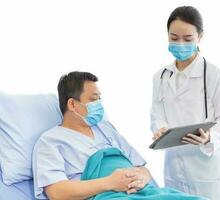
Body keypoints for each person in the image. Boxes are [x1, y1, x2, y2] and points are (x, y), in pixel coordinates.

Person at [32, 71, 206, 200]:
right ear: (72, 104)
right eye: (93, 99)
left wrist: (143, 176)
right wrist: (110, 183)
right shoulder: (50, 141)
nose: (99, 104)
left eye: (100, 99)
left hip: (142, 192)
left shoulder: (106, 129)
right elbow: (56, 192)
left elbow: (139, 167)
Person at [150, 6, 220, 200]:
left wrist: (209, 137)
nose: (180, 43)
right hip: (175, 167)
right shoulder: (160, 77)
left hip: (207, 168)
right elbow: (156, 114)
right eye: (173, 38)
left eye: (187, 39)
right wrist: (161, 129)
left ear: (200, 37)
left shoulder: (213, 75)